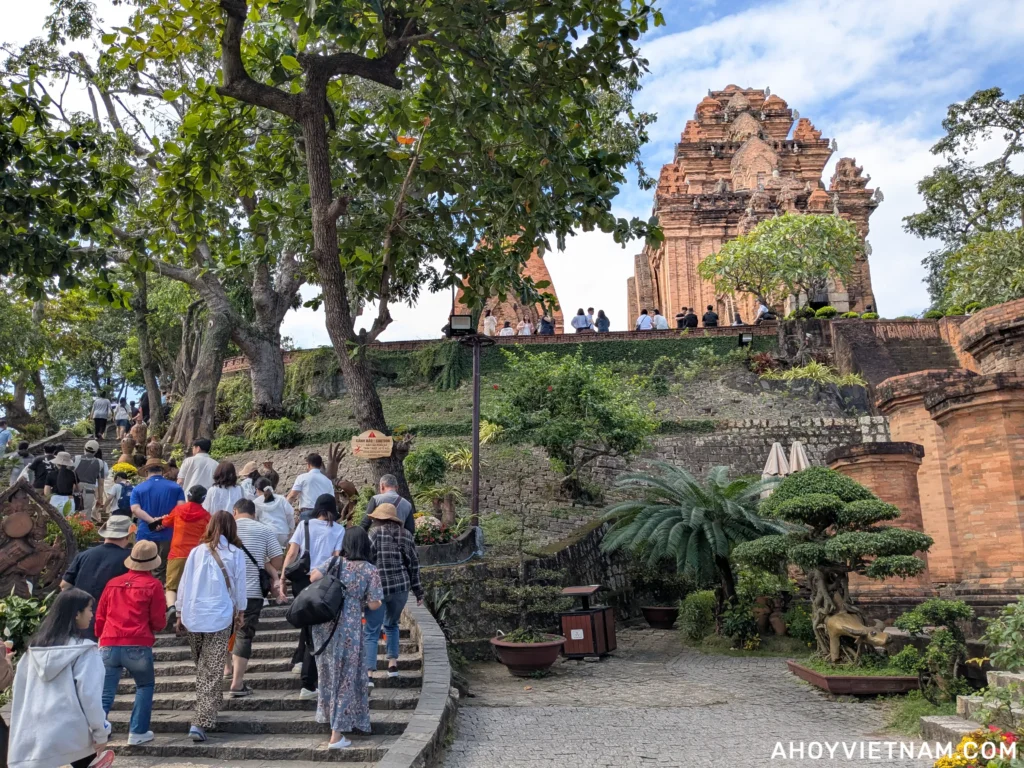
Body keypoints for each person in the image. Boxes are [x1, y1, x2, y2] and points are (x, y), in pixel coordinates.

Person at [8, 588, 113, 768]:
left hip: (33, 731)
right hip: (71, 731)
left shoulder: (31, 652)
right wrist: (100, 732)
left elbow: (20, 693)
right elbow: (89, 696)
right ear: (76, 613)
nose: (92, 614)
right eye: (89, 609)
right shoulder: (85, 652)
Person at [175, 511, 247, 742]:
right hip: (219, 616)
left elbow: (183, 583)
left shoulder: (196, 552)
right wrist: (241, 610)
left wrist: (179, 611)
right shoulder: (235, 554)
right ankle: (205, 714)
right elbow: (240, 585)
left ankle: (203, 717)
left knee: (204, 667)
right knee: (210, 667)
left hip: (194, 615)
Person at [308, 526, 383, 749]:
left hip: (325, 628)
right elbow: (374, 603)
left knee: (328, 675)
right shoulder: (370, 571)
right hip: (349, 628)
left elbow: (313, 577)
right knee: (346, 678)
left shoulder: (334, 563)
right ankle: (336, 734)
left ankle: (329, 719)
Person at [95, 540, 166, 747]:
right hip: (137, 643)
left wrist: (101, 636)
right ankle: (137, 731)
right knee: (144, 686)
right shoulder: (153, 585)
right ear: (152, 563)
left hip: (108, 642)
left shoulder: (113, 583)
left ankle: (98, 730)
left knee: (105, 691)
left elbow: (100, 615)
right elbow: (158, 621)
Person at [282, 494, 345, 697]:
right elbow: (336, 558)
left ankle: (301, 663)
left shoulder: (304, 525)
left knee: (308, 622)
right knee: (316, 626)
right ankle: (308, 678)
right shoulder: (339, 529)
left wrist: (282, 577)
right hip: (323, 582)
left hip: (302, 580)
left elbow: (292, 553)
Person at [229, 498, 285, 698]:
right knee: (244, 634)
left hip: (224, 592)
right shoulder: (264, 530)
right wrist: (266, 565)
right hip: (252, 592)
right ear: (254, 513)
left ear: (235, 511)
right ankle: (237, 683)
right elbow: (278, 559)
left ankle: (227, 669)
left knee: (223, 630)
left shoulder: (226, 529)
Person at [364, 503, 423, 683]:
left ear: (379, 519)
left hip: (378, 589)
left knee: (372, 630)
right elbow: (413, 564)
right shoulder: (406, 535)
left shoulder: (373, 534)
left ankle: (369, 675)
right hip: (400, 588)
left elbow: (367, 561)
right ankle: (393, 665)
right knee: (392, 624)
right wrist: (418, 591)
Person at [139, 485, 210, 621]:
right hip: (196, 555)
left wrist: (162, 520)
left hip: (177, 553)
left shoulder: (178, 510)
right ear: (203, 500)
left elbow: (164, 523)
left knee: (171, 586)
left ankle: (172, 607)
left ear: (188, 496)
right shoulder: (207, 516)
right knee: (192, 585)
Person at [60, 515, 132, 639]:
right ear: (128, 535)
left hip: (84, 617)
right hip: (116, 621)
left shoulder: (83, 555)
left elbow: (64, 585)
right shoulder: (130, 559)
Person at [131, 457, 186, 582]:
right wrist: (164, 520)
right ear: (162, 471)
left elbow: (135, 509)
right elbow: (181, 508)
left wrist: (153, 521)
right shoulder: (176, 488)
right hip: (168, 533)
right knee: (163, 568)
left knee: (143, 566)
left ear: (146, 472)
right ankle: (161, 593)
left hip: (146, 532)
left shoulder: (138, 489)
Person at [286, 453, 334, 522]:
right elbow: (331, 500)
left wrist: (284, 510)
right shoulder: (328, 481)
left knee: (307, 532)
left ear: (308, 465)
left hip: (307, 513)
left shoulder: (302, 477)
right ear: (320, 465)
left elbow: (292, 496)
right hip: (324, 515)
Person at [254, 477, 295, 549]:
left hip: (267, 534)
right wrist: (291, 530)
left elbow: (255, 519)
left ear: (257, 489)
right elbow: (290, 514)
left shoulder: (256, 502)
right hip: (283, 532)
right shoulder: (281, 499)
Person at [74, 440, 108, 522]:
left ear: (84, 448)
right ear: (96, 451)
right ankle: (83, 532)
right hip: (89, 491)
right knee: (85, 515)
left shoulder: (75, 458)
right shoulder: (100, 463)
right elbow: (101, 483)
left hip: (74, 489)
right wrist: (100, 498)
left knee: (73, 513)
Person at [44, 451, 78, 517]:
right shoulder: (73, 474)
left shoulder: (51, 474)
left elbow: (46, 492)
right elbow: (76, 488)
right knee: (69, 522)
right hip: (69, 500)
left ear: (57, 463)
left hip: (55, 500)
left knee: (54, 521)